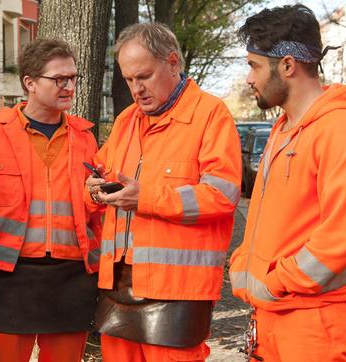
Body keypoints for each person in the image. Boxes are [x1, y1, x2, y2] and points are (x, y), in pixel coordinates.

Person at [229, 4, 346, 361]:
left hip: (314, 326)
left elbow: (344, 236)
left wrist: (274, 282)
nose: (249, 78)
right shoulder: (282, 130)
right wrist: (245, 265)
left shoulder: (343, 130)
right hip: (273, 317)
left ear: (287, 65)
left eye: (253, 65)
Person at [86, 22, 241, 362]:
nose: (136, 88)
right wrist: (94, 189)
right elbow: (100, 176)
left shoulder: (210, 115)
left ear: (173, 63)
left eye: (143, 76)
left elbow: (222, 195)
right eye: (129, 80)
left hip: (179, 293)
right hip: (117, 289)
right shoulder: (127, 120)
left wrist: (147, 198)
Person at [0, 38, 102, 362]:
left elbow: (97, 214)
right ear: (30, 83)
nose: (68, 86)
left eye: (73, 78)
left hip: (72, 277)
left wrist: (99, 267)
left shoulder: (85, 139)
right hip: (4, 278)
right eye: (58, 79)